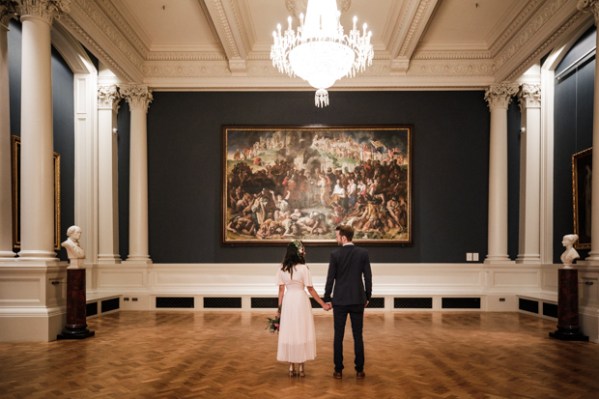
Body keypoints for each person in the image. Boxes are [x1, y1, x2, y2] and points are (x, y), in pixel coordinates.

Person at [324, 224, 372, 379]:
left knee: (339, 335)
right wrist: (367, 296)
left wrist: (327, 298)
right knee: (358, 335)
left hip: (340, 300)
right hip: (358, 299)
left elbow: (330, 278)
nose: (336, 239)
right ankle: (360, 369)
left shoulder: (335, 254)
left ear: (344, 237)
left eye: (337, 236)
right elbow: (368, 277)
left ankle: (338, 370)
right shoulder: (363, 253)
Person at [276, 240, 331, 377]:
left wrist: (279, 309)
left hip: (289, 301)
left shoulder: (282, 268)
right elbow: (310, 289)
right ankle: (301, 367)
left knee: (290, 331)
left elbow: (281, 291)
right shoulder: (304, 268)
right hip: (301, 300)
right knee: (301, 330)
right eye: (303, 249)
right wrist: (323, 304)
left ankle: (290, 367)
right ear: (298, 252)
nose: (304, 252)